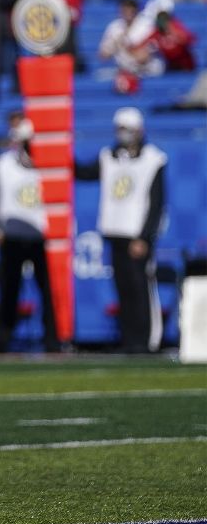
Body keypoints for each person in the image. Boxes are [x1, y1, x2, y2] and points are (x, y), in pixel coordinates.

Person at [75, 108, 166, 354]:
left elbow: (156, 203)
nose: (123, 135)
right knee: (123, 289)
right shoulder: (108, 156)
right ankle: (129, 340)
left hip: (137, 235)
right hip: (115, 232)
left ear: (139, 130)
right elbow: (83, 173)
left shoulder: (153, 159)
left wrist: (144, 236)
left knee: (140, 289)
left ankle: (146, 341)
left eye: (127, 129)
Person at [0, 118, 58, 353]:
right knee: (9, 290)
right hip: (13, 238)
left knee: (48, 291)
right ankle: (3, 340)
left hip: (42, 239)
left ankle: (52, 340)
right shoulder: (4, 164)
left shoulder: (50, 166)